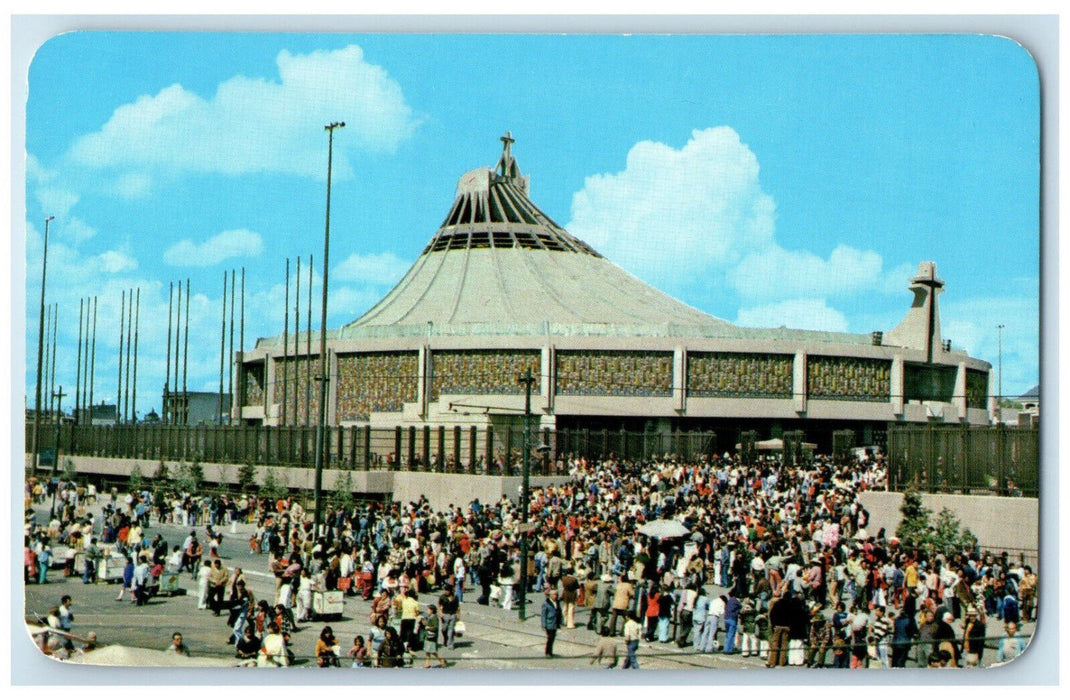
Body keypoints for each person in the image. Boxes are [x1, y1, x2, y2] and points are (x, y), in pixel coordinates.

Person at [541, 588, 563, 658]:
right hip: (549, 623)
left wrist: (561, 621)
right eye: (554, 594)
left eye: (556, 594)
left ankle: (550, 652)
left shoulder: (557, 602)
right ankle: (547, 652)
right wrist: (543, 625)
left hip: (555, 623)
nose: (555, 596)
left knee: (552, 638)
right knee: (550, 638)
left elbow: (559, 612)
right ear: (550, 595)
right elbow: (543, 615)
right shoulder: (546, 604)